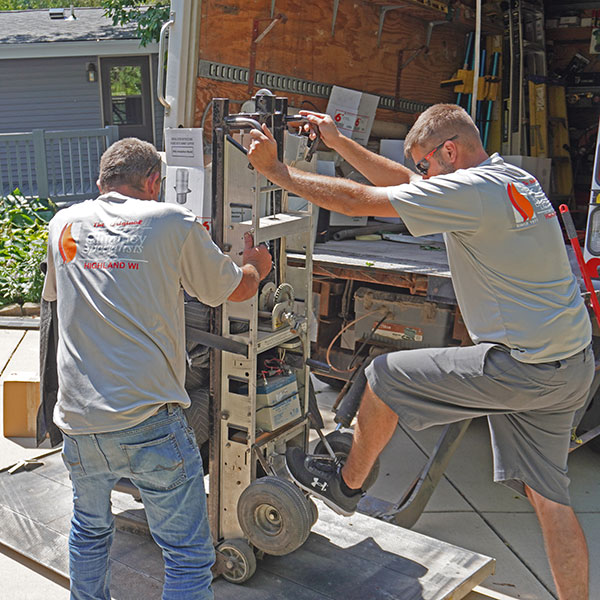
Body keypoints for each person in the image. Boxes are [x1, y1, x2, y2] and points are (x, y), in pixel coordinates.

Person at [246, 104, 593, 600]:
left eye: (429, 165)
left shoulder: (471, 191)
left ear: (449, 151)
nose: (424, 175)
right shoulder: (509, 180)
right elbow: (406, 185)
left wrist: (278, 172)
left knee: (385, 376)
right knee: (550, 498)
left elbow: (361, 202)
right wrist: (339, 142)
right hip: (571, 362)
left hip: (525, 365)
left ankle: (345, 487)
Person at [42, 137, 272, 600]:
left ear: (101, 183)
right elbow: (231, 291)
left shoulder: (63, 223)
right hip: (148, 422)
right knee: (187, 555)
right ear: (153, 182)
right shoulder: (172, 222)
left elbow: (55, 302)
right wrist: (254, 266)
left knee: (89, 534)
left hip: (81, 423)